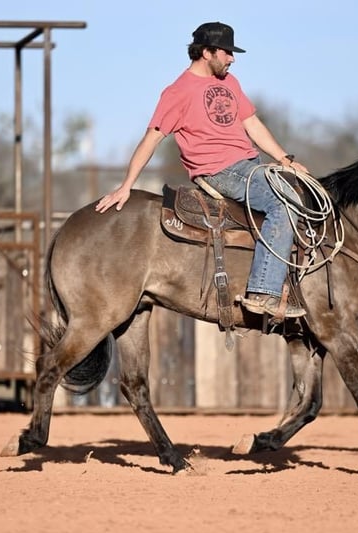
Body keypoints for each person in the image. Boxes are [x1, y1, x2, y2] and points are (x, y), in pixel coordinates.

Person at [95, 21, 308, 319]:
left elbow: (252, 124)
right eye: (227, 52)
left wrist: (285, 160)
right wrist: (126, 184)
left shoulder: (230, 83)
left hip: (249, 166)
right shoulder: (177, 92)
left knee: (303, 191)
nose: (232, 58)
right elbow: (152, 138)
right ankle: (263, 292)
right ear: (207, 52)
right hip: (219, 171)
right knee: (284, 202)